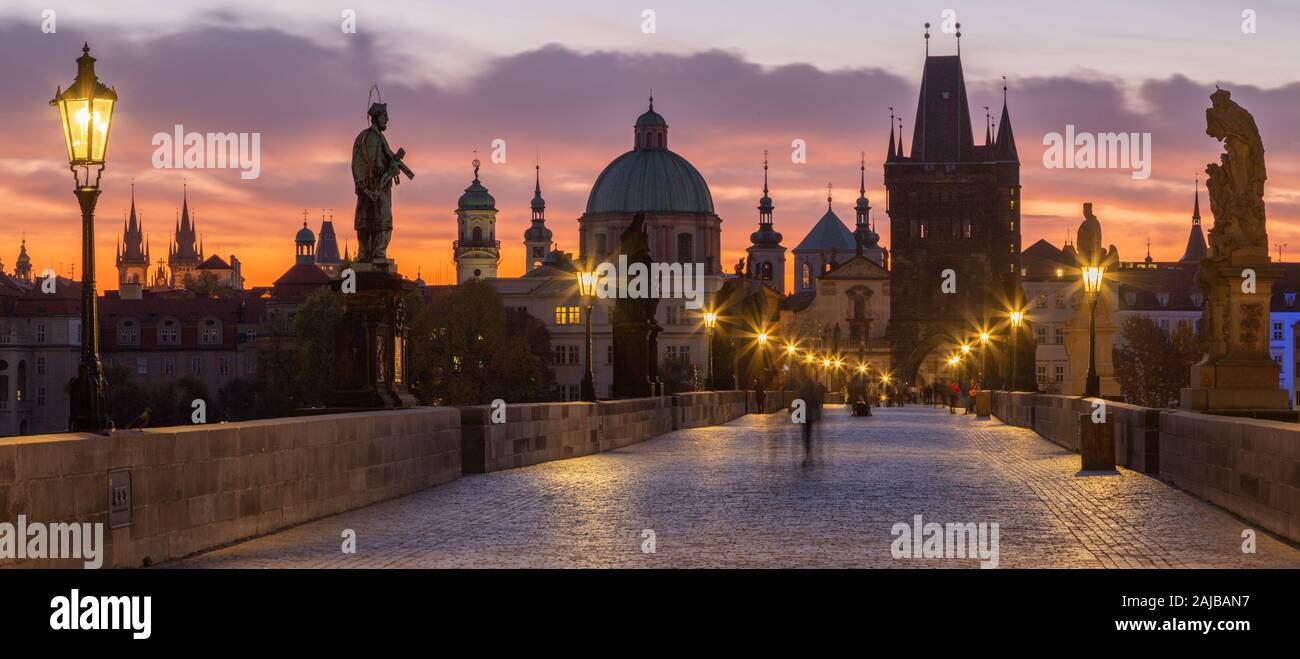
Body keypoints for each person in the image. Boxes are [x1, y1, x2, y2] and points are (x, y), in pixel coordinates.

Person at [795, 365, 824, 466]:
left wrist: (797, 415)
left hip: (804, 413)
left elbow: (799, 400)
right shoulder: (814, 386)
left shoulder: (802, 386)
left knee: (806, 434)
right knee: (808, 433)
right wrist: (818, 412)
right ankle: (809, 453)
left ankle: (808, 453)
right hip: (810, 413)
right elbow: (817, 400)